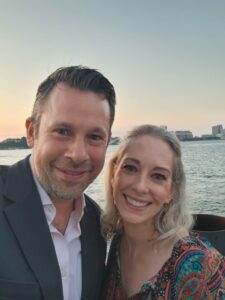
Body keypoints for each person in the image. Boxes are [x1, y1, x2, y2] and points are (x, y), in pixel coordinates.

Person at [0, 66, 116, 300]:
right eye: (62, 131)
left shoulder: (96, 222)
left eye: (94, 137)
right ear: (32, 132)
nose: (78, 154)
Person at [101, 124, 225, 299]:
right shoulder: (117, 242)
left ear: (171, 191)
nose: (140, 186)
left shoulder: (201, 264)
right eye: (130, 168)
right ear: (114, 173)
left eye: (158, 176)